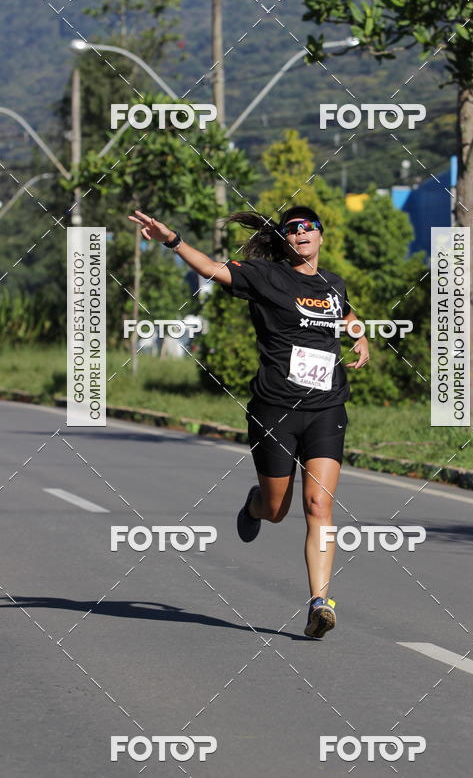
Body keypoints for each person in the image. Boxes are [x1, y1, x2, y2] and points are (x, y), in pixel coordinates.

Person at [128, 205, 369, 638]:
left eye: (308, 228)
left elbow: (345, 313)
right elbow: (211, 268)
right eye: (293, 230)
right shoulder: (266, 276)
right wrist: (171, 240)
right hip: (276, 408)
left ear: (320, 235)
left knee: (319, 505)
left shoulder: (333, 284)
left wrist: (360, 334)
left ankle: (320, 602)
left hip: (327, 408)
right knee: (278, 509)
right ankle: (255, 503)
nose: (301, 235)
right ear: (285, 240)